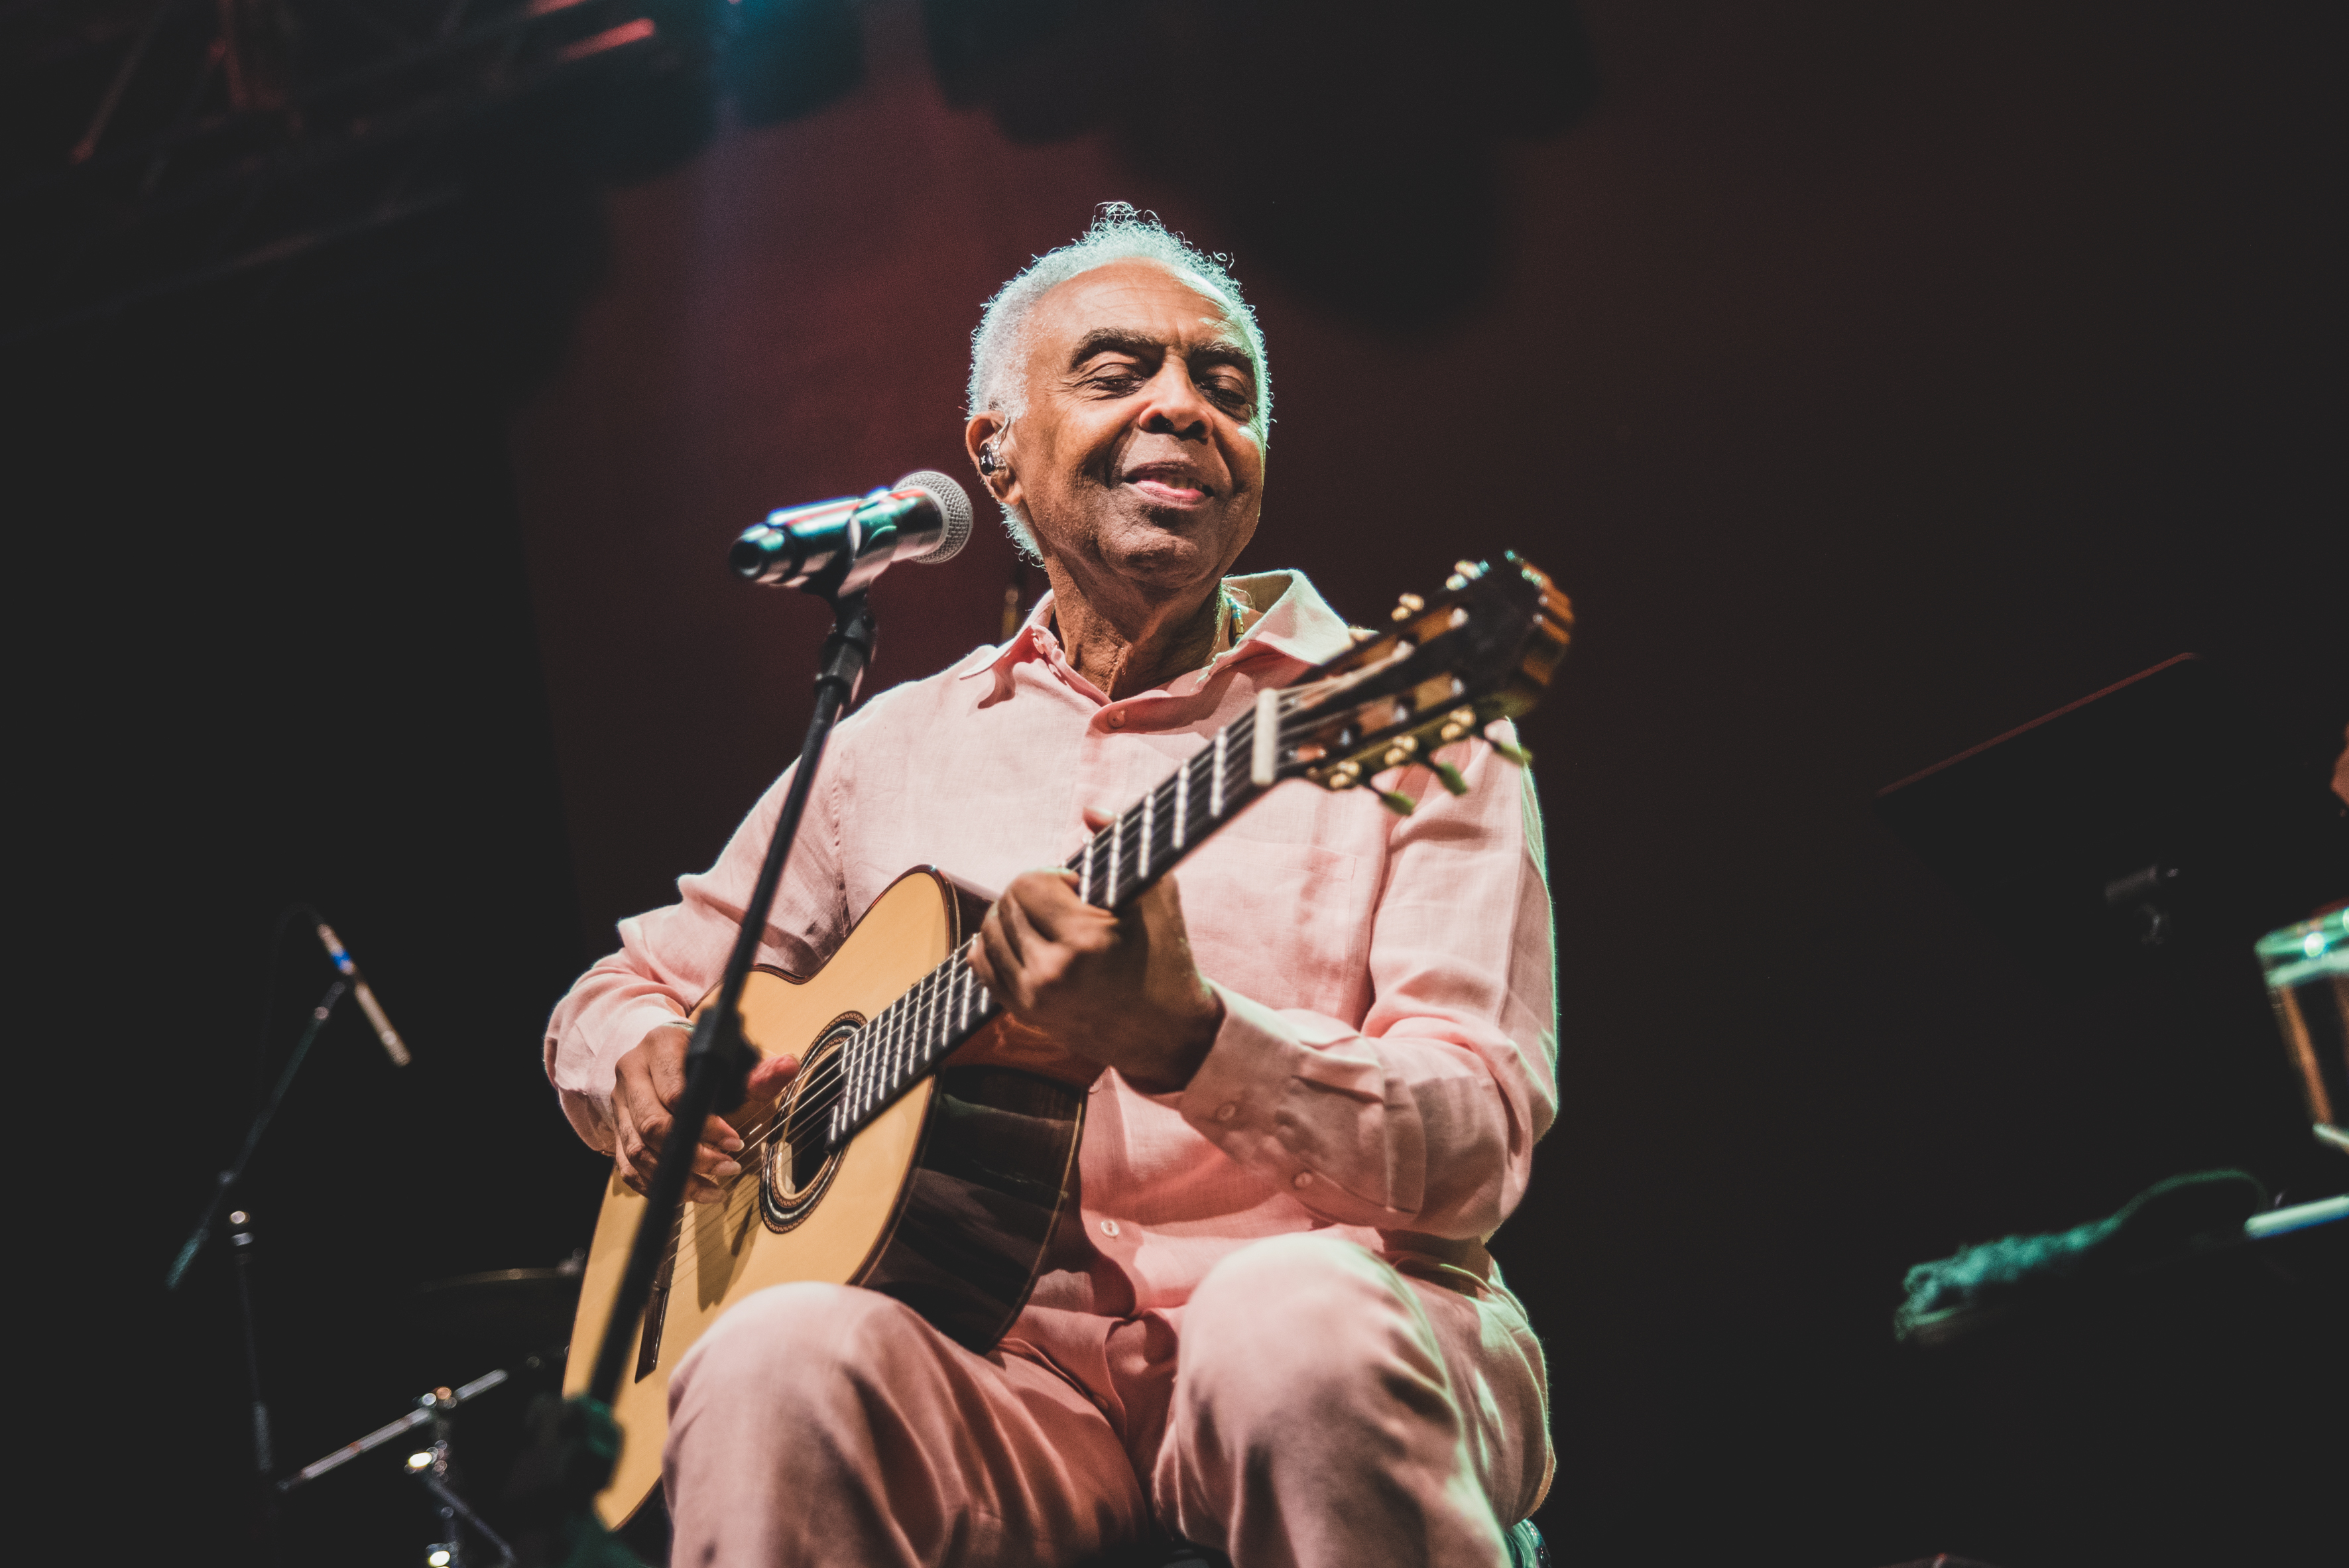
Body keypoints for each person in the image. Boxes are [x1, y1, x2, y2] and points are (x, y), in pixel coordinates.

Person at [544, 206, 1558, 1568]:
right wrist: (647, 1062)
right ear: (995, 453)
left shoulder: (1396, 716)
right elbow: (619, 993)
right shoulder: (885, 749)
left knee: (1286, 1321)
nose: (1184, 409)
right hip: (1008, 1387)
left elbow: (1474, 1148)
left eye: (1225, 384)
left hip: (1354, 1339)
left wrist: (1186, 1040)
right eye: (1117, 370)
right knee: (770, 1352)